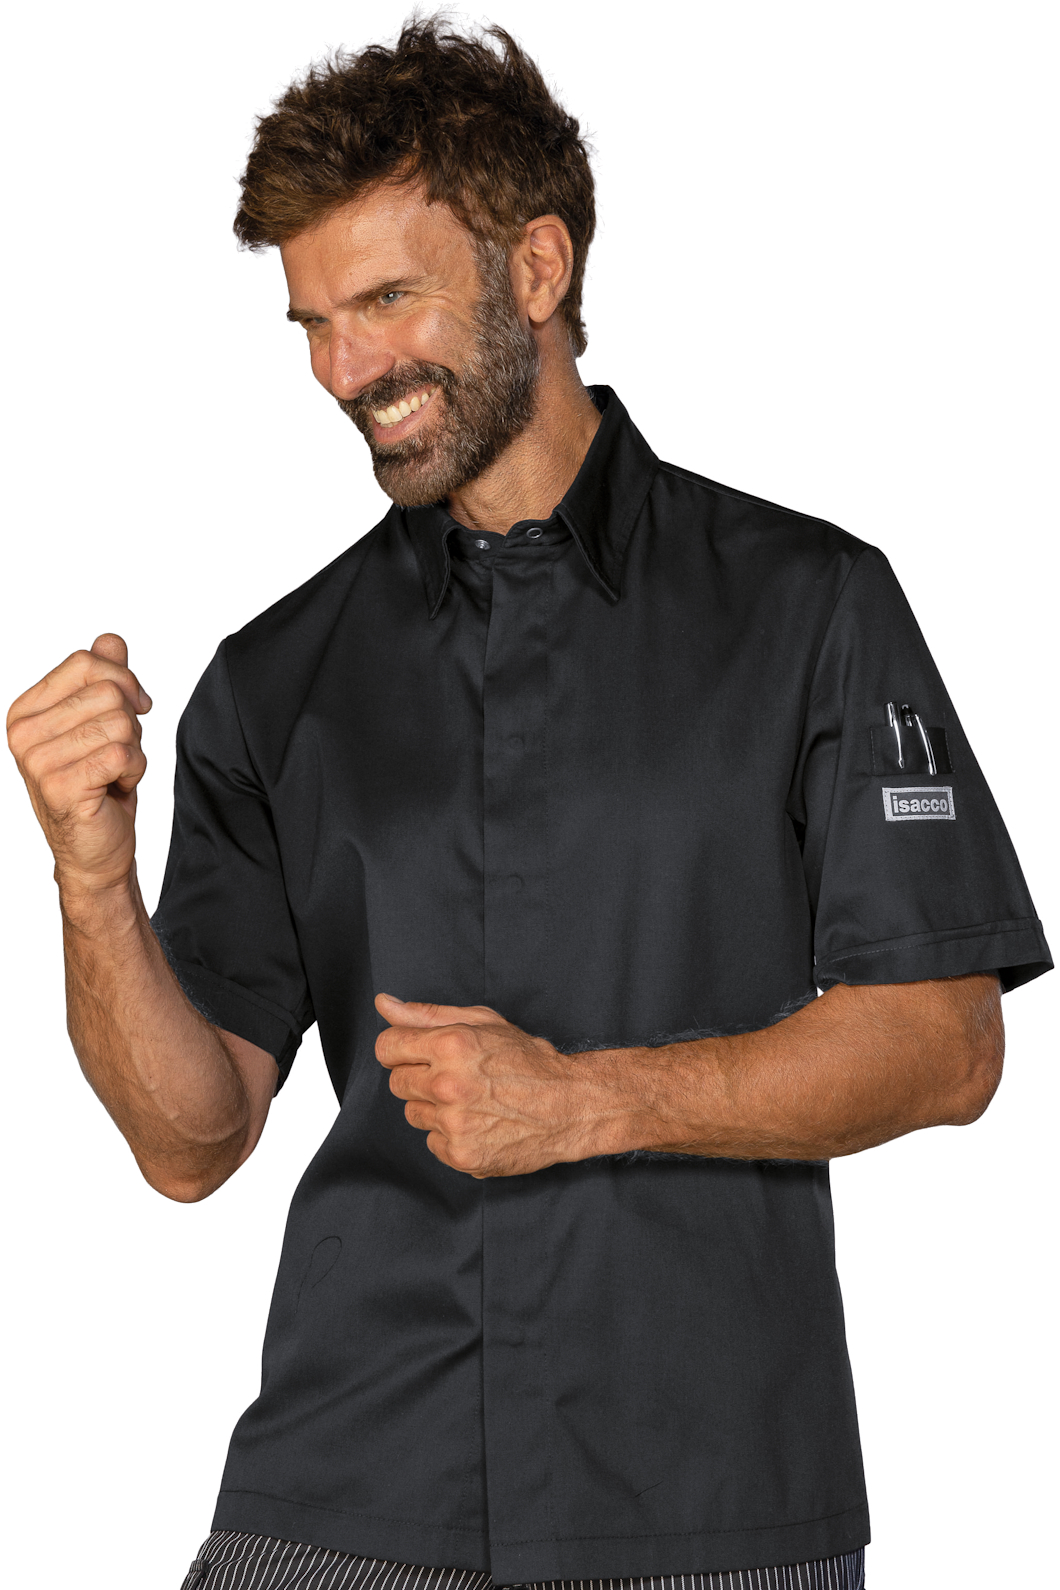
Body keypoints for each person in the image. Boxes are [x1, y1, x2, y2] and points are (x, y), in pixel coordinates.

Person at [6, 18, 1051, 1590]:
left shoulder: (809, 608)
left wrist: (584, 1101)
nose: (344, 371)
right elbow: (189, 1136)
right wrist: (90, 875)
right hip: (350, 1492)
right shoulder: (277, 679)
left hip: (706, 1499)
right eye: (313, 323)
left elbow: (947, 1040)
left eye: (385, 301)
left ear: (538, 268)